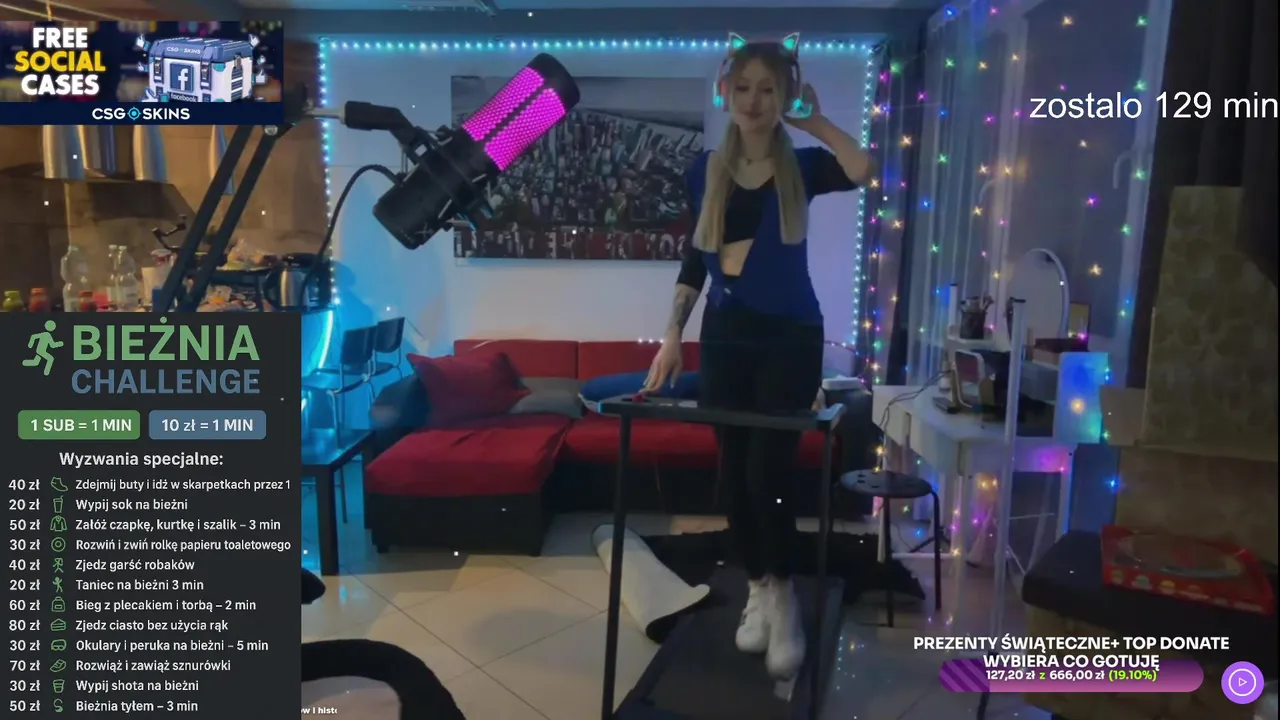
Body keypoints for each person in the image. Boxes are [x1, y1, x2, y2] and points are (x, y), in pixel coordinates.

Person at [642, 39, 874, 680]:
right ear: (726, 93)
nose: (753, 100)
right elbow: (695, 259)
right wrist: (671, 334)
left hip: (790, 337)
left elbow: (863, 168)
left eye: (767, 88)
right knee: (733, 476)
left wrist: (816, 121)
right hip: (725, 334)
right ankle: (760, 587)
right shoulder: (704, 170)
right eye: (743, 87)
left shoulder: (803, 166)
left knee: (765, 475)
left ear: (783, 96)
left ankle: (785, 596)